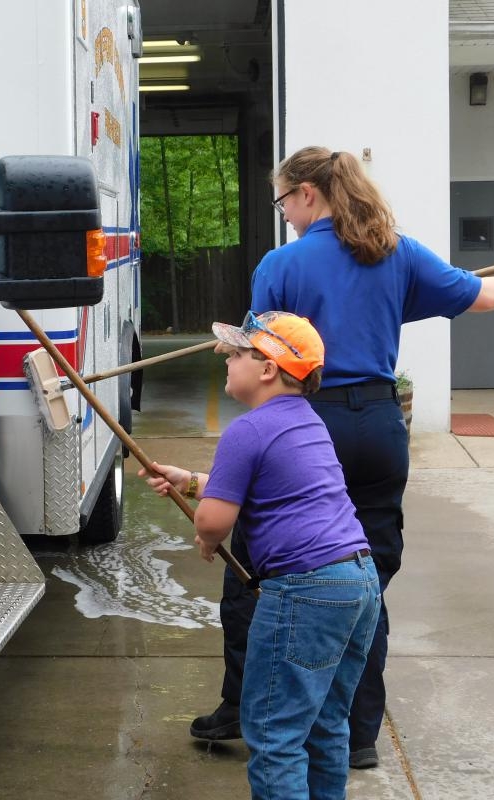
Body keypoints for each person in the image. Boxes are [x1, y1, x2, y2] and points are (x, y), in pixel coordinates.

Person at [195, 145, 494, 769]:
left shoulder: (281, 264)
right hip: (376, 426)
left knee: (261, 574)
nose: (284, 212)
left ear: (307, 194)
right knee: (362, 575)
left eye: (284, 199)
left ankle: (245, 705)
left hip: (303, 427)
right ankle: (358, 733)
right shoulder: (395, 252)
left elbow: (258, 352)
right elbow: (482, 296)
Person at [141, 311, 380, 799]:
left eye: (236, 353)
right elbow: (264, 491)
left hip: (305, 592)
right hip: (357, 582)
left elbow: (213, 521)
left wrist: (207, 534)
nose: (224, 359)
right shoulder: (305, 423)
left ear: (267, 368)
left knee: (273, 733)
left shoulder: (247, 430)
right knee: (325, 722)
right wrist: (189, 480)